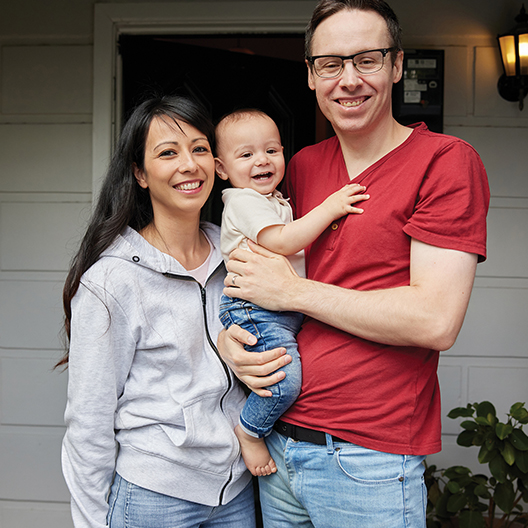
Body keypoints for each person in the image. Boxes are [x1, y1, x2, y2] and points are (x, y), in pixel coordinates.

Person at [218, 1, 491, 527]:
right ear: (310, 75)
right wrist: (230, 341)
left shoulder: (445, 161)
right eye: (330, 64)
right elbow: (253, 264)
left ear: (397, 64)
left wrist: (292, 294)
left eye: (367, 60)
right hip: (277, 446)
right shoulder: (300, 166)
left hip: (367, 457)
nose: (348, 80)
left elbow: (435, 320)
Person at [57, 95, 255, 528]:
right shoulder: (112, 281)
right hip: (155, 496)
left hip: (237, 492)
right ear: (140, 173)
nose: (189, 165)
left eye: (199, 148)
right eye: (168, 153)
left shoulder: (238, 257)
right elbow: (89, 421)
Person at [214, 108, 369, 477]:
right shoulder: (243, 201)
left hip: (276, 308)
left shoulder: (272, 200)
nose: (262, 160)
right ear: (221, 168)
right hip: (254, 309)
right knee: (284, 383)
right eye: (246, 154)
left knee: (279, 376)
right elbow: (284, 241)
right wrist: (330, 208)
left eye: (271, 150)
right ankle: (249, 431)